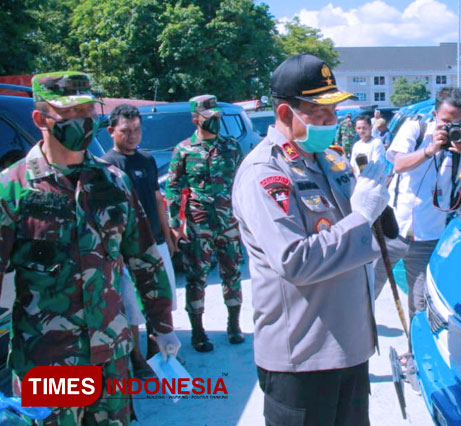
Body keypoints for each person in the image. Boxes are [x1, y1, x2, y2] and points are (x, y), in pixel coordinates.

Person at [0, 71, 179, 424]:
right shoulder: (12, 189)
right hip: (48, 358)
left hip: (111, 352)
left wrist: (162, 323)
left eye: (87, 112)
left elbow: (144, 257)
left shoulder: (113, 181)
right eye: (69, 115)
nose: (82, 122)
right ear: (40, 119)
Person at [232, 53, 390, 426]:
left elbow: (366, 228)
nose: (333, 121)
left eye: (334, 111)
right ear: (287, 114)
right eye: (321, 113)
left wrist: (378, 203)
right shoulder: (264, 172)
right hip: (304, 358)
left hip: (349, 346)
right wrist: (362, 216)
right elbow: (296, 261)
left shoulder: (328, 160)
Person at [373, 88, 461, 323]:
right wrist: (429, 149)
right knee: (365, 291)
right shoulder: (417, 129)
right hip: (392, 230)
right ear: (434, 115)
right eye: (445, 122)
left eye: (458, 123)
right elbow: (399, 164)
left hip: (429, 235)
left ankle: (414, 355)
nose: (450, 128)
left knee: (420, 305)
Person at [102, 104, 178, 377]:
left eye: (137, 130)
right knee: (131, 307)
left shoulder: (146, 160)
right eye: (126, 131)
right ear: (111, 131)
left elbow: (158, 199)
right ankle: (137, 360)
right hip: (127, 248)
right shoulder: (107, 166)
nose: (133, 135)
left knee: (162, 299)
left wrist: (168, 236)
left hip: (155, 241)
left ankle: (157, 354)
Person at [166, 94, 244, 352]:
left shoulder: (231, 146)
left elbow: (242, 183)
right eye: (209, 118)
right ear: (195, 119)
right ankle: (198, 332)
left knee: (232, 273)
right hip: (199, 224)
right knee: (196, 276)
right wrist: (175, 225)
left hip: (229, 222)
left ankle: (234, 325)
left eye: (217, 118)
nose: (215, 122)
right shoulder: (183, 149)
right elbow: (174, 188)